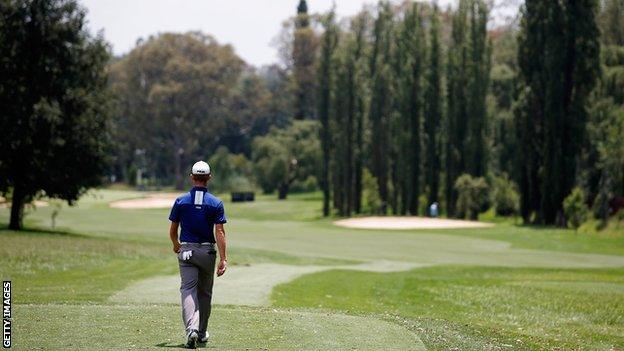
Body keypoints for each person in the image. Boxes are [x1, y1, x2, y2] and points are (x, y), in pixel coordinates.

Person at [168, 161, 228, 349]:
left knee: (188, 290)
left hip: (186, 251)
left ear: (192, 177)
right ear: (209, 177)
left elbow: (173, 229)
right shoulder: (216, 203)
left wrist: (176, 244)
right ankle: (201, 333)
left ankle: (191, 330)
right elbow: (220, 233)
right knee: (205, 294)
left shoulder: (181, 201)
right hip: (208, 253)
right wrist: (223, 258)